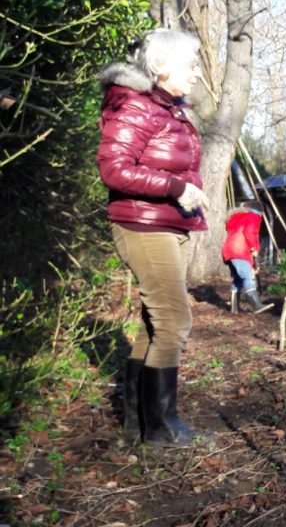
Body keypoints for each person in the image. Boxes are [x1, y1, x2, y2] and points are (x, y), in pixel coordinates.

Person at [97, 29, 211, 444]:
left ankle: (138, 423)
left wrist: (184, 194)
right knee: (175, 321)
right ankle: (162, 429)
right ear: (160, 67)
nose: (197, 74)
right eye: (191, 65)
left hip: (168, 223)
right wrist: (177, 189)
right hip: (143, 224)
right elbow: (114, 169)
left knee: (154, 324)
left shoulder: (169, 109)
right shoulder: (133, 105)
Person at [221, 201, 273, 314]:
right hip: (239, 250)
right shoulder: (253, 216)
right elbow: (250, 232)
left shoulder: (236, 217)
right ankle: (256, 305)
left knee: (238, 279)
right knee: (248, 276)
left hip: (228, 250)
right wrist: (254, 248)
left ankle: (234, 308)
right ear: (261, 212)